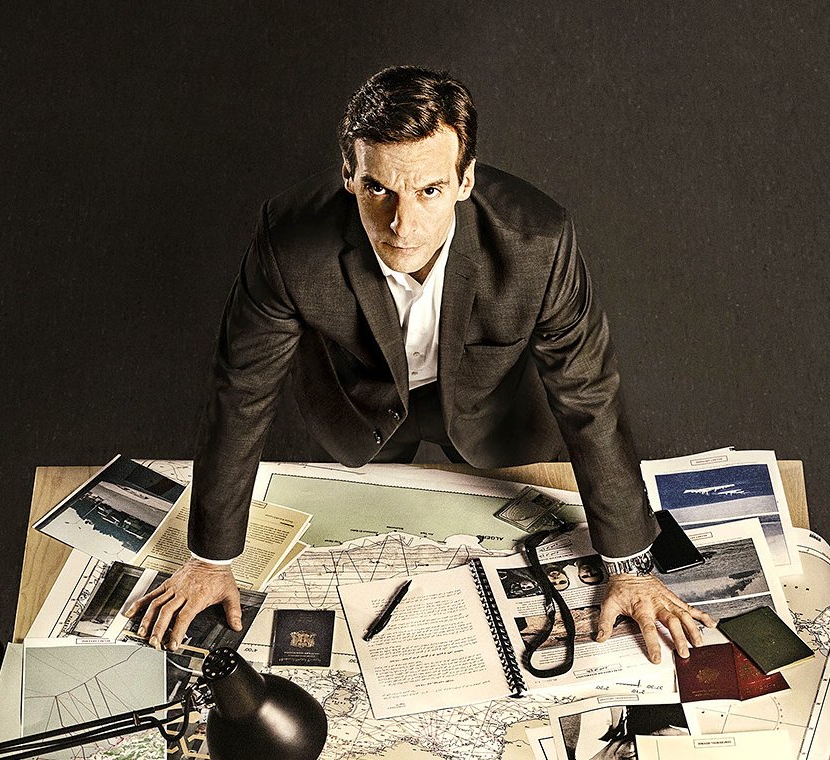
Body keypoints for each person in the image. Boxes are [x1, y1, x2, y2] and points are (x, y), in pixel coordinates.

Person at [128, 65, 714, 662]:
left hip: (493, 411)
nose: (402, 224)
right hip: (360, 407)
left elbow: (588, 392)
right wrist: (212, 558)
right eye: (379, 189)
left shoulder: (537, 240)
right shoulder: (287, 241)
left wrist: (631, 566)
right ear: (349, 178)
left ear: (465, 181)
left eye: (429, 190)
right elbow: (242, 390)